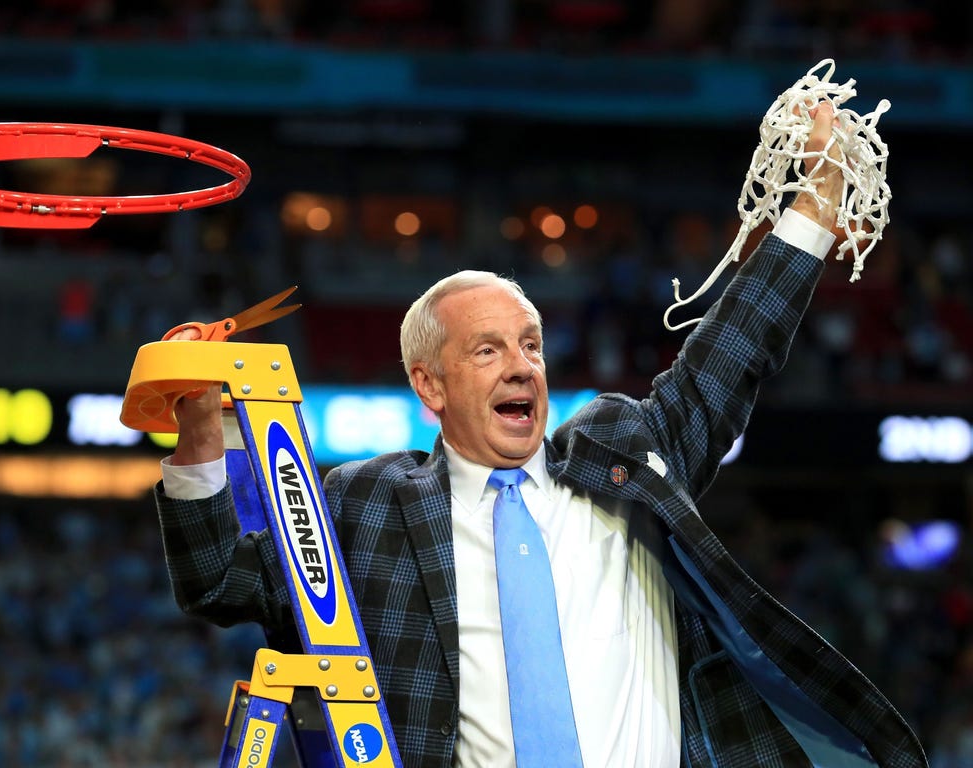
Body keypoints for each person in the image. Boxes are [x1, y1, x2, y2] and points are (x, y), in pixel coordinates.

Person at [152, 104, 928, 767]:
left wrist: (819, 202)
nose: (521, 367)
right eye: (487, 350)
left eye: (529, 345)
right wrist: (194, 427)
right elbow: (220, 578)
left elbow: (732, 350)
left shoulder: (623, 458)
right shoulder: (365, 503)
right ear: (429, 384)